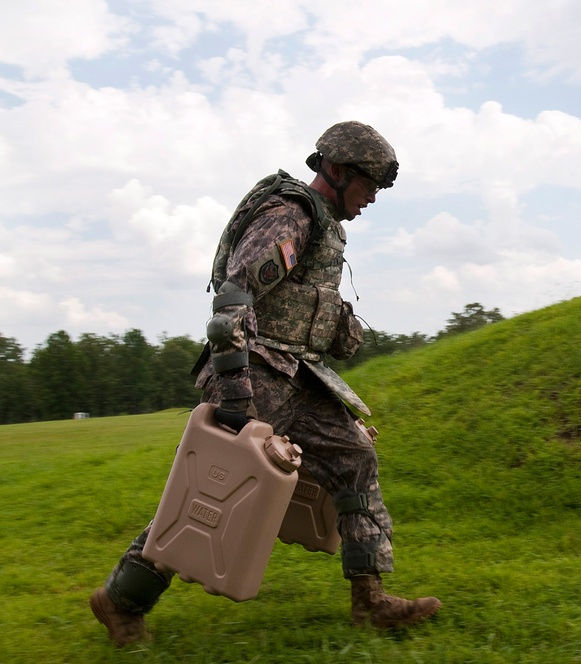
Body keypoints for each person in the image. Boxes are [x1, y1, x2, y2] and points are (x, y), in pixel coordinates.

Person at [90, 121, 441, 646]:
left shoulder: (319, 223)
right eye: (368, 184)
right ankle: (119, 601)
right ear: (338, 171)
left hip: (298, 375)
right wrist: (237, 402)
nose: (372, 197)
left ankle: (369, 602)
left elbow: (294, 308)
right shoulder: (289, 215)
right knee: (215, 489)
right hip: (254, 377)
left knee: (354, 458)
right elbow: (233, 299)